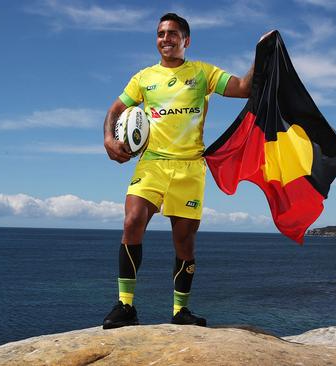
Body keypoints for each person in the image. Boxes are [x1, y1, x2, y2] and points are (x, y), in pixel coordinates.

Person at [102, 13, 261, 329]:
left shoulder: (202, 73)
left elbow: (244, 88)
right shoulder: (143, 78)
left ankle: (180, 311)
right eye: (161, 33)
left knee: (184, 241)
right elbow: (116, 110)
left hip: (190, 168)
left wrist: (263, 55)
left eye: (173, 33)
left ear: (186, 40)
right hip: (152, 164)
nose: (166, 39)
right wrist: (109, 137)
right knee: (132, 220)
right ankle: (125, 306)